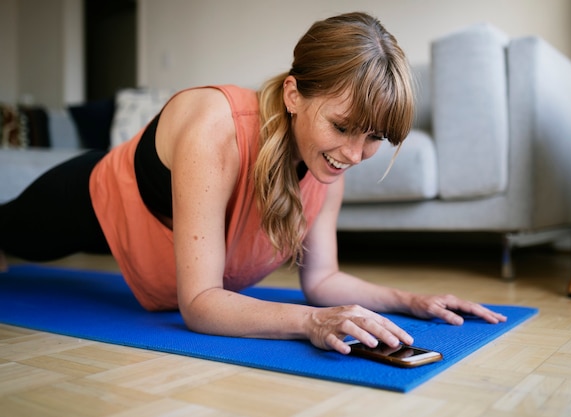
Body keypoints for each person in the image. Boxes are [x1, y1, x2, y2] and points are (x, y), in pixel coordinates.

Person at [0, 12, 506, 354]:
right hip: (91, 195)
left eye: (373, 136)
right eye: (343, 126)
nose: (355, 154)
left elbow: (323, 280)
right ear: (293, 94)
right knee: (11, 235)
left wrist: (413, 301)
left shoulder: (330, 162)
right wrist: (310, 323)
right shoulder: (216, 129)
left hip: (149, 230)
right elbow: (199, 303)